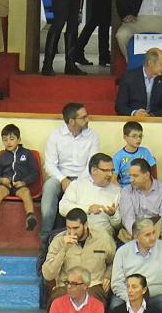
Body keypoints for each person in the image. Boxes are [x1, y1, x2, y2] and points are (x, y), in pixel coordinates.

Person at [42, 103, 100, 241]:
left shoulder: (93, 136)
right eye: (83, 117)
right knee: (49, 187)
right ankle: (45, 237)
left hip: (84, 177)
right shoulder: (55, 135)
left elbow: (92, 165)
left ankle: (86, 237)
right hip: (60, 176)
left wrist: (76, 183)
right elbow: (49, 165)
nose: (87, 120)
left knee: (89, 190)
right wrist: (62, 179)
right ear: (72, 121)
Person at [42, 208, 115, 305]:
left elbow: (114, 261)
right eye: (68, 228)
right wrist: (64, 249)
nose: (71, 232)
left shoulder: (103, 238)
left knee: (91, 300)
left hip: (93, 285)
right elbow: (48, 274)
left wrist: (108, 275)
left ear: (85, 225)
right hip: (66, 286)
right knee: (57, 300)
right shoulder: (59, 241)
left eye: (76, 228)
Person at [111, 217, 162, 312]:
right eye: (147, 235)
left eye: (154, 232)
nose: (153, 237)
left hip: (157, 296)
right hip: (128, 295)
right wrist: (132, 297)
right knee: (114, 306)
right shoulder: (122, 252)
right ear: (136, 237)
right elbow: (116, 283)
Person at [59, 152, 121, 236]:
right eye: (106, 170)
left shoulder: (117, 191)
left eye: (112, 170)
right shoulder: (77, 185)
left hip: (101, 237)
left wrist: (113, 215)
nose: (110, 174)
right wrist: (88, 209)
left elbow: (118, 226)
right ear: (93, 170)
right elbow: (63, 208)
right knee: (56, 242)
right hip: (75, 234)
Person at [118, 158, 162, 242]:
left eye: (135, 176)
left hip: (158, 234)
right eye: (130, 176)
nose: (131, 180)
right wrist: (139, 235)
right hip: (134, 235)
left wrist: (147, 234)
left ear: (147, 175)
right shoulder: (126, 191)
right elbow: (127, 218)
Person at [0, 123, 38, 230]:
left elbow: (34, 173)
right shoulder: (2, 156)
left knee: (26, 193)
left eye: (11, 139)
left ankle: (30, 217)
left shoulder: (27, 154)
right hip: (5, 185)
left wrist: (24, 182)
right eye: (5, 140)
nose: (8, 142)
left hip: (20, 184)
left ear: (19, 140)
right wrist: (1, 180)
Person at [115, 47, 162, 117]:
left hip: (156, 120)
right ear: (150, 63)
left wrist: (150, 116)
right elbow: (120, 106)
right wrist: (134, 113)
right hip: (133, 120)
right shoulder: (128, 77)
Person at [112, 121, 157, 188]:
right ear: (125, 137)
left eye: (140, 136)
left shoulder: (145, 152)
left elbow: (152, 175)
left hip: (143, 188)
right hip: (126, 188)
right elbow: (113, 179)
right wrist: (122, 191)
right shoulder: (118, 157)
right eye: (134, 136)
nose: (138, 139)